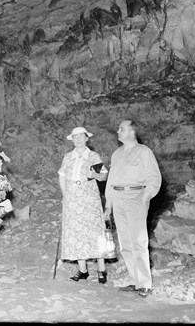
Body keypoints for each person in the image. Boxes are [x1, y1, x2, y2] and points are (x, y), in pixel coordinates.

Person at [104, 119, 161, 298]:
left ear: (131, 132)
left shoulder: (144, 152)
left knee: (138, 241)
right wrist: (108, 205)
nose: (118, 131)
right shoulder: (117, 153)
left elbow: (154, 177)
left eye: (121, 129)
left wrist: (146, 196)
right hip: (118, 198)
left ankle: (144, 284)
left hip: (136, 196)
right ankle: (134, 280)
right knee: (126, 243)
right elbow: (111, 181)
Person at [58, 127, 109, 284]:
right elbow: (62, 176)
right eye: (75, 137)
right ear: (72, 140)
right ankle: (83, 270)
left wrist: (93, 174)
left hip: (89, 199)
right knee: (76, 232)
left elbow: (103, 176)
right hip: (72, 198)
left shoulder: (93, 156)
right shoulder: (68, 157)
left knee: (94, 230)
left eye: (81, 136)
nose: (78, 139)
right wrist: (65, 195)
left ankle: (101, 270)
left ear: (87, 138)